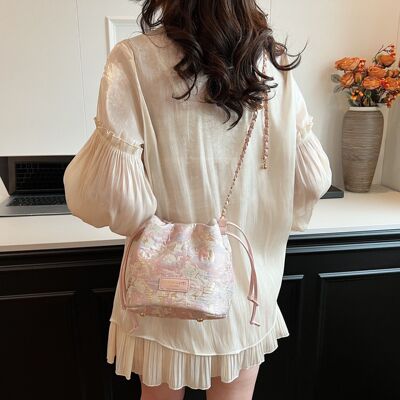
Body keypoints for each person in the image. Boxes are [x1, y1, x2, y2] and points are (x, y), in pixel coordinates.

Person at [63, 1, 332, 399]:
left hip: (161, 287)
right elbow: (312, 180)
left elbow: (110, 197)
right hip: (246, 290)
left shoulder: (134, 59)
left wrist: (159, 224)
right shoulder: (271, 65)